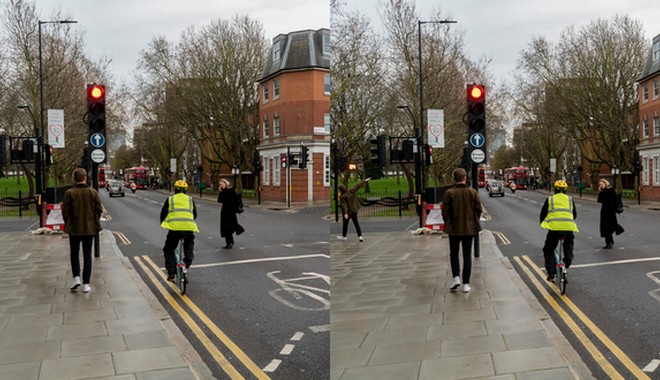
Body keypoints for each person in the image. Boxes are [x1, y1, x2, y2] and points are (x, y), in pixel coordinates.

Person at [62, 167, 103, 293]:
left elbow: (65, 212)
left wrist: (68, 223)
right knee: (87, 255)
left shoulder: (69, 193)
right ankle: (86, 284)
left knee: (74, 254)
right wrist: (94, 220)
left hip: (74, 229)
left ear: (74, 179)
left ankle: (76, 278)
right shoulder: (93, 192)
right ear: (85, 178)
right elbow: (99, 210)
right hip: (89, 229)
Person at [442, 168, 483, 293]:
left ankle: (456, 278)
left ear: (454, 179)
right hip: (469, 229)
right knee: (467, 255)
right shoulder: (472, 192)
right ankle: (466, 284)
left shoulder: (449, 193)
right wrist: (473, 220)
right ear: (465, 177)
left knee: (454, 254)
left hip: (454, 229)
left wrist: (448, 223)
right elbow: (478, 209)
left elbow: (445, 212)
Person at [539, 179, 579, 281]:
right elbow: (574, 214)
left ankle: (551, 273)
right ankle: (567, 262)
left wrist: (543, 224)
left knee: (548, 249)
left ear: (555, 190)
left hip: (554, 229)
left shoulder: (550, 199)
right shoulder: (570, 199)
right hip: (568, 228)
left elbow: (543, 214)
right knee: (568, 245)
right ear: (565, 190)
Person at [160, 180, 199, 282]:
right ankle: (187, 263)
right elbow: (195, 214)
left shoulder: (170, 199)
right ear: (186, 190)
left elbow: (163, 214)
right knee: (189, 246)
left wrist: (163, 223)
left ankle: (172, 273)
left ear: (175, 189)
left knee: (168, 249)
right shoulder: (191, 199)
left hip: (174, 229)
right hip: (188, 228)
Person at [337, 177, 371, 242]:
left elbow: (344, 205)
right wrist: (365, 180)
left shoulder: (342, 197)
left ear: (340, 190)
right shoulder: (351, 191)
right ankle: (360, 236)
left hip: (348, 212)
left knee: (345, 224)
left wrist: (345, 213)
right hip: (354, 210)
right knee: (356, 223)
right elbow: (357, 186)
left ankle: (344, 236)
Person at [217, 178, 241, 249]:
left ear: (225, 183)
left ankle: (230, 242)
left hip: (231, 211)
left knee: (229, 228)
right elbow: (219, 200)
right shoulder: (223, 191)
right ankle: (228, 242)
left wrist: (236, 209)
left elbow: (235, 200)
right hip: (224, 211)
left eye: (222, 184)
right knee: (225, 228)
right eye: (220, 184)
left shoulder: (231, 190)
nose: (221, 185)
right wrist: (220, 191)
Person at [597, 178, 620, 249]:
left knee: (608, 227)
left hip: (611, 211)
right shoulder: (602, 192)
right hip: (604, 211)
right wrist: (600, 192)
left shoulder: (611, 190)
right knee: (605, 227)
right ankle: (608, 242)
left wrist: (616, 208)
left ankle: (610, 242)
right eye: (600, 184)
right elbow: (599, 200)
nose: (601, 185)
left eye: (602, 184)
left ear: (605, 183)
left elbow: (616, 200)